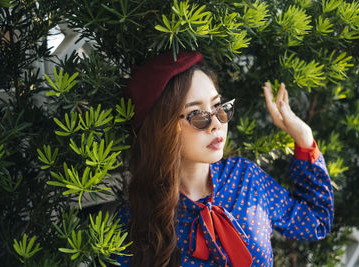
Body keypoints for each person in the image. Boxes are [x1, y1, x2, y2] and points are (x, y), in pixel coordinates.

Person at [114, 51, 334, 266]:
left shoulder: (245, 178)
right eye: (198, 115)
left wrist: (304, 137)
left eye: (219, 107)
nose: (216, 124)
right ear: (161, 128)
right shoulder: (134, 219)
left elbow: (316, 221)